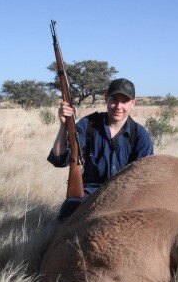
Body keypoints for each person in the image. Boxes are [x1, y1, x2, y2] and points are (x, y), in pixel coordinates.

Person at [47, 78, 154, 220]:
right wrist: (63, 126)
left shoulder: (140, 135)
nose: (118, 106)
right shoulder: (87, 125)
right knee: (68, 212)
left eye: (124, 101)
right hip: (90, 194)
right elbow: (59, 159)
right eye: (114, 99)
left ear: (133, 103)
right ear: (106, 98)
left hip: (125, 197)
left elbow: (145, 179)